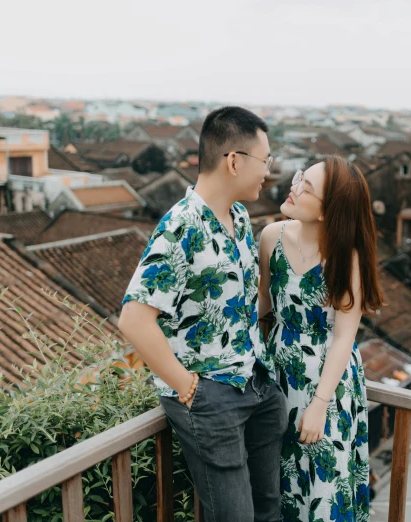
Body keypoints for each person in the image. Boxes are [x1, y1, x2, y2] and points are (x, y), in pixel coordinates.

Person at [119, 107, 286, 522]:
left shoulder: (241, 218)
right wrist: (189, 389)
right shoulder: (181, 227)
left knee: (268, 511)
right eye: (264, 161)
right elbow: (134, 319)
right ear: (234, 160)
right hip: (212, 396)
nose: (269, 171)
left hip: (257, 387)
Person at [258, 156, 384, 522]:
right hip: (278, 380)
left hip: (327, 386)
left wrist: (318, 406)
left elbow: (344, 338)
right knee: (279, 489)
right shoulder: (271, 237)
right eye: (300, 178)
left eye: (306, 187)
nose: (293, 188)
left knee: (324, 492)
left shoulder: (348, 258)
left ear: (328, 212)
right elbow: (263, 307)